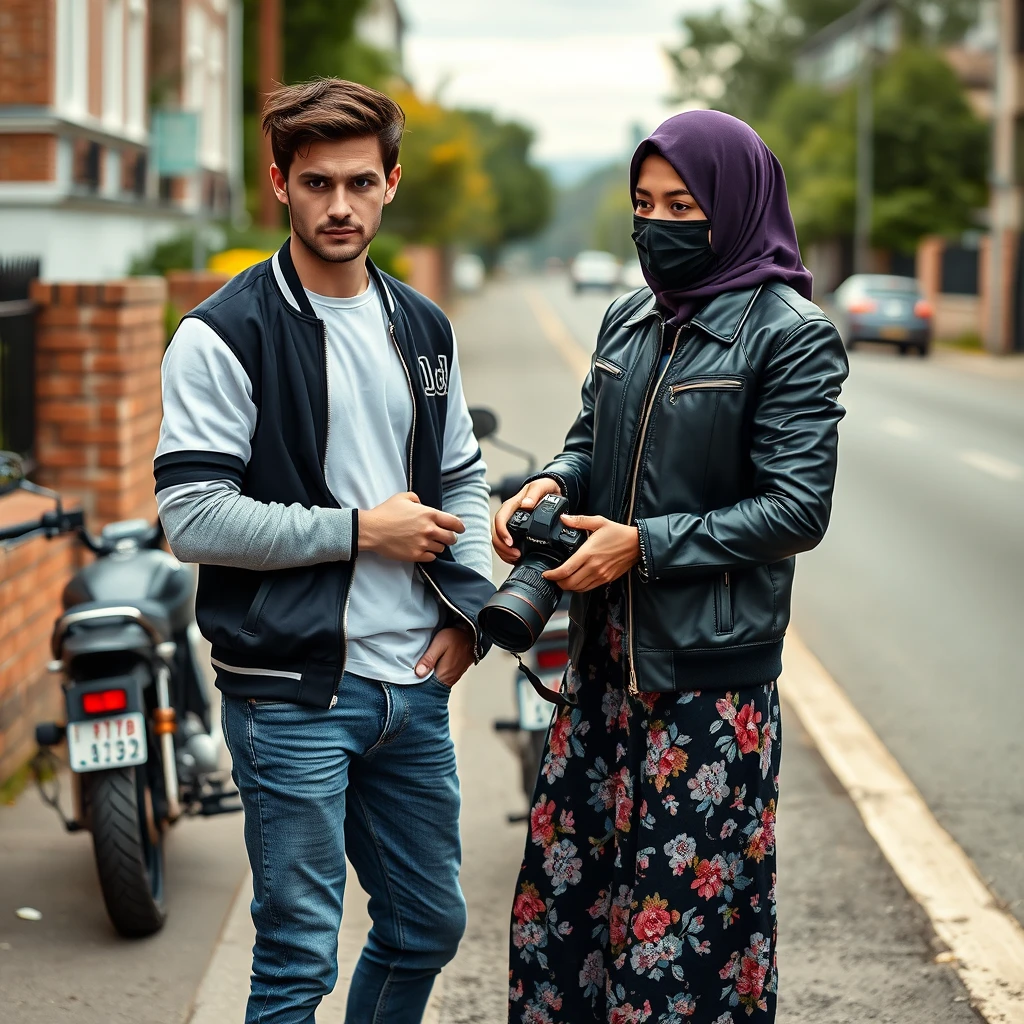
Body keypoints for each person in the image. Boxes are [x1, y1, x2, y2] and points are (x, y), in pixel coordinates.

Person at [495, 110, 848, 1023]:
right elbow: (589, 446)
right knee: (564, 919)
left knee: (677, 937)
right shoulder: (629, 314)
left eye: (682, 204)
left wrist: (643, 544)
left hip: (704, 693)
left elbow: (794, 509)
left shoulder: (790, 334)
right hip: (604, 666)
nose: (657, 224)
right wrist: (546, 485)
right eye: (643, 203)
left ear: (732, 206)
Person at [155, 78, 494, 1024]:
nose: (338, 206)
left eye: (358, 182)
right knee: (299, 957)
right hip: (293, 691)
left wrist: (465, 611)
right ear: (279, 184)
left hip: (412, 690)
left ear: (390, 183)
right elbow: (193, 517)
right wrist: (359, 529)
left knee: (427, 925)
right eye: (315, 184)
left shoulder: (423, 328)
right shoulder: (225, 334)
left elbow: (461, 477)